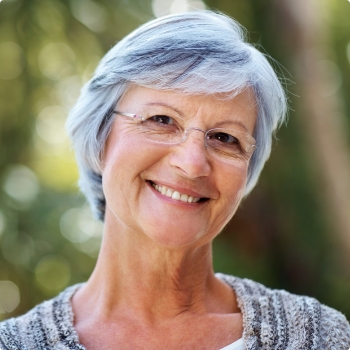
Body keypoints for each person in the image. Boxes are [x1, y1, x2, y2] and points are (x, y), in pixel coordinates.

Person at [1, 10, 349, 350]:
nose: (192, 163)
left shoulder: (321, 338)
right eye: (162, 119)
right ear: (101, 136)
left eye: (226, 138)